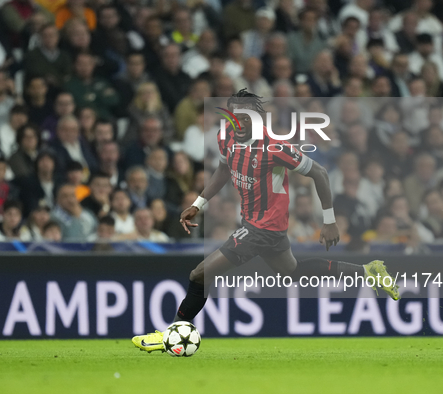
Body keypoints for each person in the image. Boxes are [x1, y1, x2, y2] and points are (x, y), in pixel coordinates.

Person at [132, 89, 401, 352]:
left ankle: (173, 331)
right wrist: (198, 203)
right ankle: (367, 272)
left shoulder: (274, 147)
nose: (238, 122)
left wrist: (329, 221)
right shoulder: (225, 136)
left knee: (200, 274)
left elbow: (319, 172)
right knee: (292, 271)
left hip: (262, 228)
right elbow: (224, 169)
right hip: (259, 225)